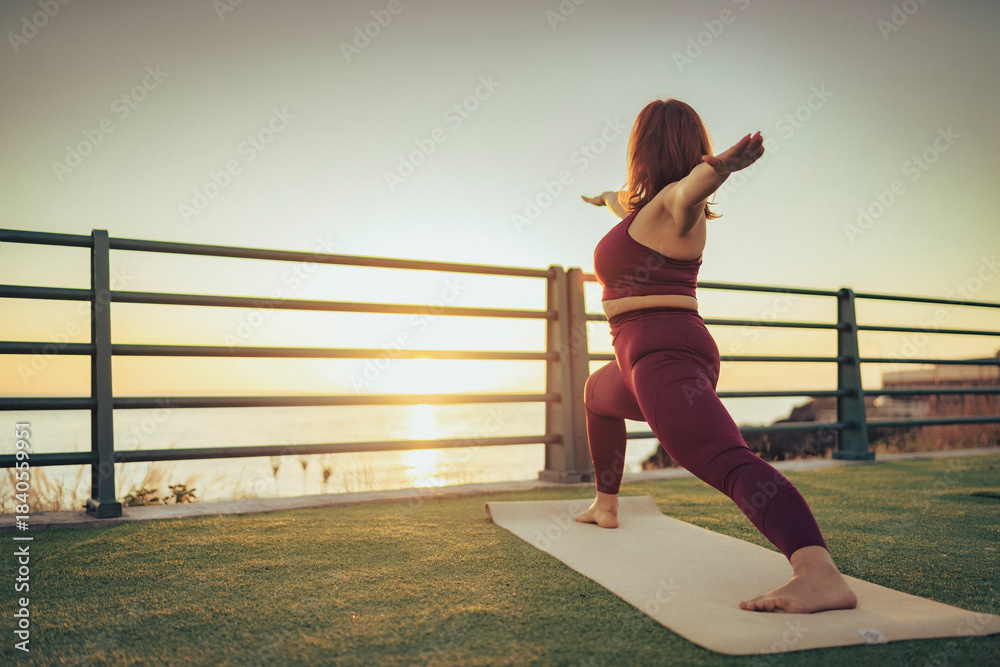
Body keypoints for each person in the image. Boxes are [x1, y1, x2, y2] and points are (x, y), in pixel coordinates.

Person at [576, 99, 857, 614]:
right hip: (640, 358)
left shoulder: (676, 208)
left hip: (664, 358)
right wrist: (604, 199)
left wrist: (721, 167)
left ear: (642, 148)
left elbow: (690, 189)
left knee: (726, 461)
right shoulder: (647, 213)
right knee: (597, 395)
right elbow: (627, 202)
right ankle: (606, 504)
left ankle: (819, 573)